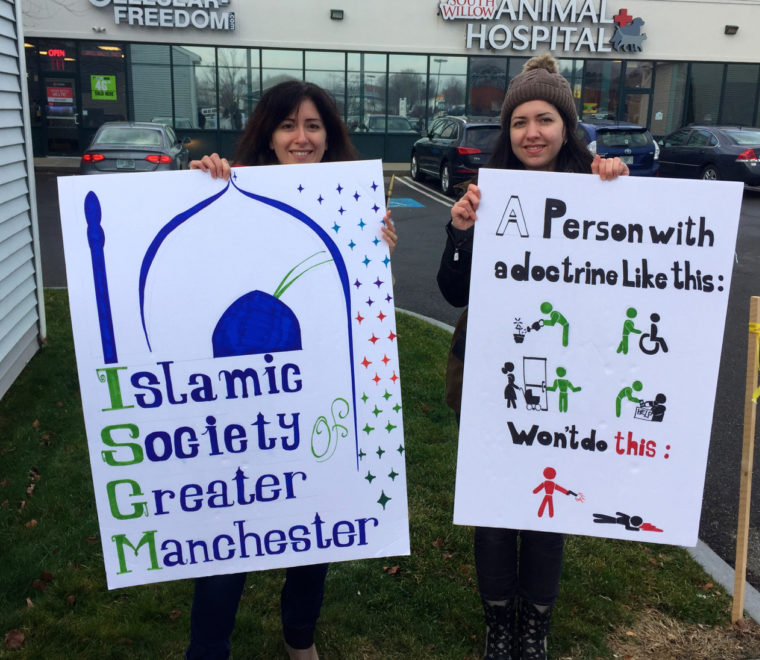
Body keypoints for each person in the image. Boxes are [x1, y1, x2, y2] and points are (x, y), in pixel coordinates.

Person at [188, 80, 397, 660]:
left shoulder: (351, 202)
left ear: (328, 136)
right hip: (234, 396)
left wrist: (375, 257)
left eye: (312, 126)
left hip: (315, 389)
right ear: (268, 133)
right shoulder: (226, 189)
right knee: (228, 531)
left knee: (315, 518)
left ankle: (299, 637)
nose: (300, 138)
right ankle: (208, 647)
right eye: (287, 125)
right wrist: (203, 178)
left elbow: (356, 307)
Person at [437, 54, 628, 660]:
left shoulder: (599, 189)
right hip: (492, 373)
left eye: (545, 118)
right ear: (507, 130)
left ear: (567, 126)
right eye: (519, 121)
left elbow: (632, 269)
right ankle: (499, 621)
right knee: (495, 505)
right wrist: (461, 233)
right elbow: (453, 292)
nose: (532, 133)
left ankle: (534, 625)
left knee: (548, 511)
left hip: (569, 378)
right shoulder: (486, 190)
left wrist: (623, 188)